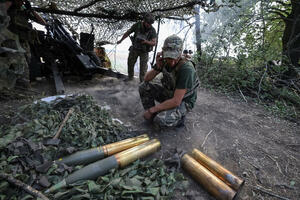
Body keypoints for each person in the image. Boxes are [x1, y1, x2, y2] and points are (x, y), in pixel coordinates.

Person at [139, 35, 199, 128]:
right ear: (163, 53)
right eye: (169, 57)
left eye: (175, 57)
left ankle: (179, 119)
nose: (172, 62)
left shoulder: (187, 69)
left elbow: (176, 101)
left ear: (180, 53)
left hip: (183, 100)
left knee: (161, 121)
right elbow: (146, 79)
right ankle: (152, 114)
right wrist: (158, 68)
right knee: (143, 87)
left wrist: (152, 110)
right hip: (170, 93)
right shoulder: (163, 60)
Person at [7, 0, 47, 87]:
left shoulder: (24, 10)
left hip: (24, 41)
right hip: (12, 40)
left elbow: (43, 22)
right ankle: (23, 86)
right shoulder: (7, 8)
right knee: (21, 65)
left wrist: (31, 10)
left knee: (27, 61)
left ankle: (18, 84)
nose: (22, 2)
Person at [117, 13, 157, 82]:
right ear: (144, 21)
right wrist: (121, 40)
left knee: (143, 68)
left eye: (150, 24)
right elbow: (128, 33)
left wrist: (146, 42)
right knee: (130, 63)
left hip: (144, 51)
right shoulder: (137, 25)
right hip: (135, 49)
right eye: (147, 23)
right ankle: (130, 78)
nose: (149, 25)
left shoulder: (152, 30)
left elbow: (154, 43)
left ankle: (142, 82)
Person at [0, 0, 28, 90]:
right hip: (7, 37)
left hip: (12, 37)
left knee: (20, 60)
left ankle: (21, 85)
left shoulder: (17, 9)